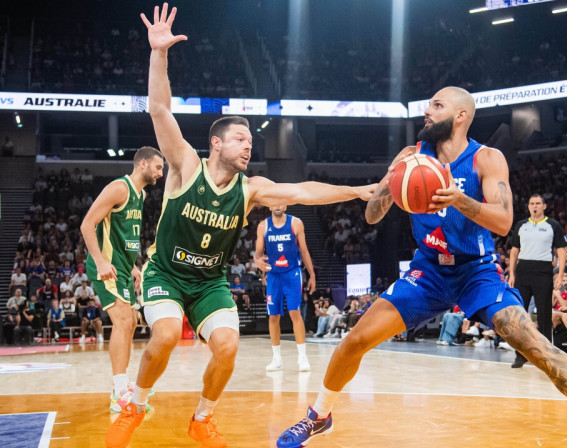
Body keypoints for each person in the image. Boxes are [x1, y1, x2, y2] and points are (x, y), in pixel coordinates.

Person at [277, 87, 567, 448]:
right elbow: (372, 216)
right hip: (428, 271)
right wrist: (395, 186)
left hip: (476, 271)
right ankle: (319, 416)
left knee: (533, 344)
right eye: (429, 103)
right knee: (355, 339)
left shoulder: (487, 159)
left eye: (437, 105)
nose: (427, 110)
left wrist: (461, 200)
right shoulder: (411, 156)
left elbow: (503, 222)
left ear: (461, 116)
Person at [106, 6, 375, 448]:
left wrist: (354, 190)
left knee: (228, 345)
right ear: (216, 143)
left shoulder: (251, 189)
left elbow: (303, 191)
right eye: (240, 140)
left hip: (209, 281)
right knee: (168, 335)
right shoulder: (185, 166)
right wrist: (158, 54)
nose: (249, 146)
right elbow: (158, 109)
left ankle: (202, 419)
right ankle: (135, 404)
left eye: (251, 142)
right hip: (166, 274)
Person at [81, 145, 164, 413]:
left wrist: (132, 266)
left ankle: (123, 384)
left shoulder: (140, 194)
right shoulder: (119, 188)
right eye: (158, 167)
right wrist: (101, 261)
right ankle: (118, 392)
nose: (161, 173)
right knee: (124, 320)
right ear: (142, 164)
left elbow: (123, 237)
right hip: (107, 267)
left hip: (122, 268)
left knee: (129, 325)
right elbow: (87, 225)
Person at [507, 193, 567, 367]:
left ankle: (546, 355)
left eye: (538, 203)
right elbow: (514, 250)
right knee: (519, 315)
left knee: (544, 315)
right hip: (523, 271)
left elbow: (561, 251)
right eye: (532, 203)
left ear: (544, 206)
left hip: (543, 271)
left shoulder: (552, 225)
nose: (535, 206)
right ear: (529, 206)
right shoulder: (521, 225)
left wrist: (561, 274)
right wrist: (512, 273)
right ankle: (520, 354)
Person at [256, 205, 316, 372]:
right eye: (274, 202)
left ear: (286, 205)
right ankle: (276, 359)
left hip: (292, 273)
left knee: (294, 313)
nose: (277, 206)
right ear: (269, 205)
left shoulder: (296, 223)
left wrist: (312, 274)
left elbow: (304, 250)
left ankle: (302, 357)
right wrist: (257, 261)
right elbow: (258, 253)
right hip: (274, 275)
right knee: (273, 316)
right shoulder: (263, 226)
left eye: (281, 202)